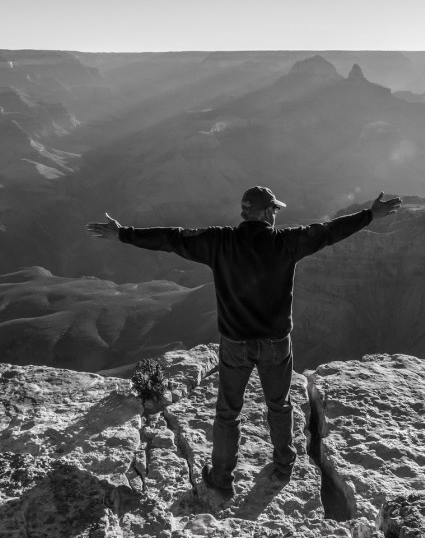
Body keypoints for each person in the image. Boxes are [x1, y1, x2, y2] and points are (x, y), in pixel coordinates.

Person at [86, 187, 401, 498]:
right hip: (276, 344)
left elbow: (173, 238)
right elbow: (329, 231)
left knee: (228, 412)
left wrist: (123, 234)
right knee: (280, 406)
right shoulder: (286, 242)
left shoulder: (219, 241)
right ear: (265, 213)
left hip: (235, 344)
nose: (276, 214)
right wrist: (369, 215)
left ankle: (222, 478)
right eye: (274, 209)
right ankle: (284, 465)